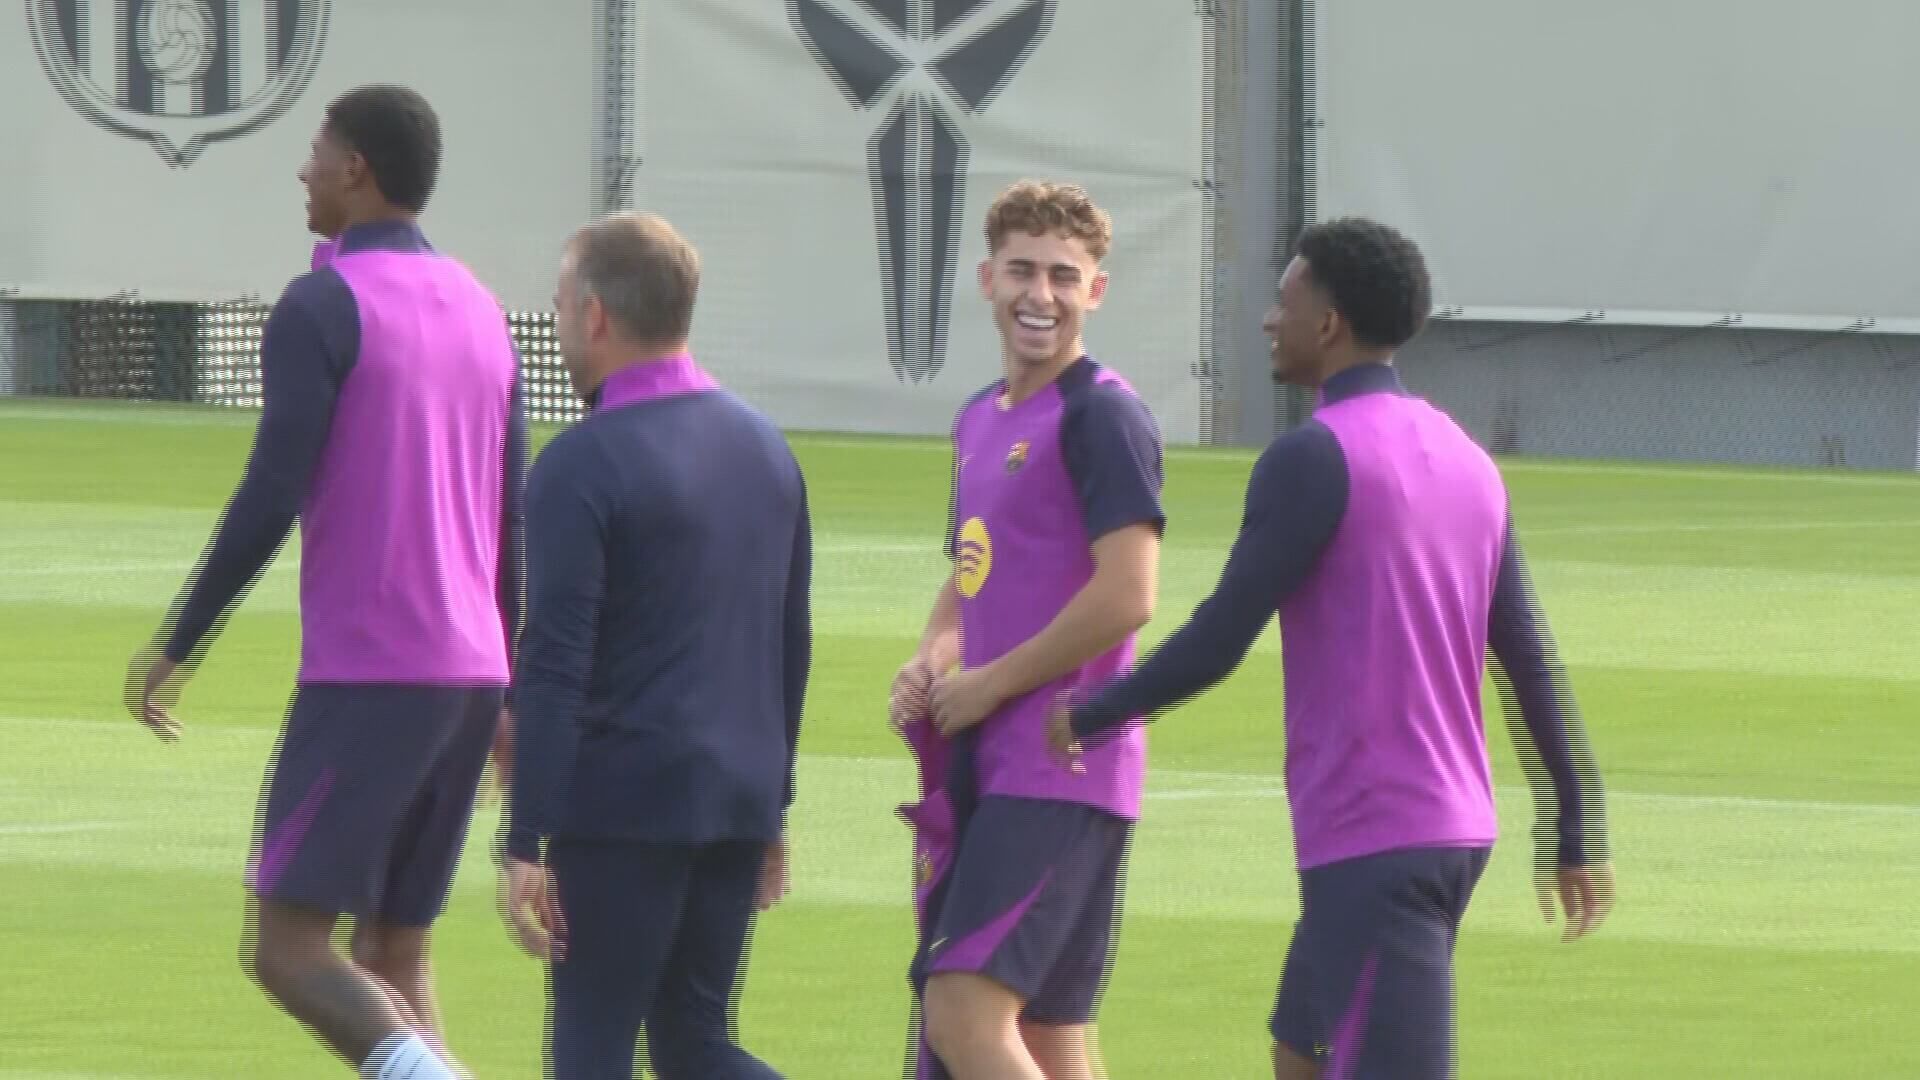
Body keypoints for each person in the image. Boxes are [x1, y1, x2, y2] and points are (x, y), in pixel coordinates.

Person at [1051, 217, 1615, 1079]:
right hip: (1448, 827)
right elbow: (1528, 658)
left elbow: (1219, 637)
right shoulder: (1467, 459)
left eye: (1285, 301)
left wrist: (1088, 715)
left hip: (1375, 837)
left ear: (1329, 323)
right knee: (1301, 1049)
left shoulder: (1311, 460)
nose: (1270, 320)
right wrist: (1576, 824)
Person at [124, 85, 526, 1080]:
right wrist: (508, 687)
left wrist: (179, 641)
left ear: (356, 170)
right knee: (395, 953)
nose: (302, 169)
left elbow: (273, 487)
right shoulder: (482, 305)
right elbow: (514, 517)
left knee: (288, 945)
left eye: (316, 150)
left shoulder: (322, 303)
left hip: (372, 673)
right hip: (470, 673)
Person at [498, 212, 808, 1080]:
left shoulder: (579, 466)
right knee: (693, 1041)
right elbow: (789, 641)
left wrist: (527, 837)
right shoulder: (767, 450)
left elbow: (556, 662)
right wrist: (772, 805)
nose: (557, 325)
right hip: (736, 796)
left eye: (559, 305)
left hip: (623, 804)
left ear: (595, 315)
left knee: (593, 1049)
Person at [890, 179, 1165, 1080]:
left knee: (962, 1013)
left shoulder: (1104, 414)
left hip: (1059, 764)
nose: (1038, 294)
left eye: (1062, 274)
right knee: (1047, 1035)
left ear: (1096, 290)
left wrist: (991, 682)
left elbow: (1130, 593)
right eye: (1021, 270)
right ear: (985, 278)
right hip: (998, 763)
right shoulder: (980, 416)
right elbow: (970, 569)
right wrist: (933, 660)